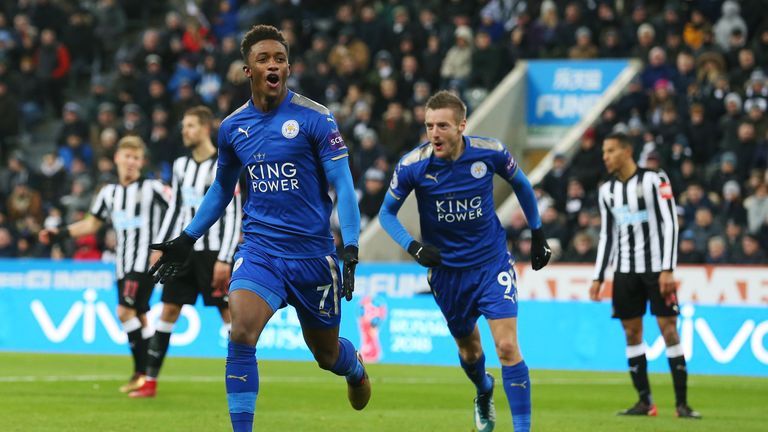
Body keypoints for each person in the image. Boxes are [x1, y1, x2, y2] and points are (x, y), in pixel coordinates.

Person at [146, 25, 369, 432]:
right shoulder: (233, 128)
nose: (273, 65)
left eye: (280, 59)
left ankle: (352, 367)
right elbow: (221, 188)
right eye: (264, 59)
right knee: (241, 333)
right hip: (260, 251)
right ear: (248, 69)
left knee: (326, 355)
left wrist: (350, 246)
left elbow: (343, 185)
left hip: (312, 256)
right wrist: (187, 236)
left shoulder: (316, 118)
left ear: (288, 67)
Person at [379, 90, 552, 432]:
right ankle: (483, 390)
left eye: (442, 125)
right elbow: (386, 214)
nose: (434, 133)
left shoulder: (489, 153)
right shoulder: (413, 166)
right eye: (429, 126)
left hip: (491, 264)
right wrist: (413, 247)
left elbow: (522, 185)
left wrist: (538, 233)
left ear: (461, 126)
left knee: (506, 346)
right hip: (447, 274)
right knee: (470, 352)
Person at [39, 136, 169, 393]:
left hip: (144, 263)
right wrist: (61, 233)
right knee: (140, 317)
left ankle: (141, 374)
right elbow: (91, 224)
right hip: (122, 264)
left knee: (124, 312)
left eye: (136, 158)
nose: (131, 162)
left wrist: (166, 246)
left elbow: (177, 209)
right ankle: (145, 376)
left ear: (142, 162)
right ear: (117, 159)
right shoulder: (108, 193)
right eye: (127, 157)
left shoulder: (153, 188)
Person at [129, 106, 242, 398]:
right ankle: (150, 382)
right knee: (168, 310)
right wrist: (165, 243)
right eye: (184, 126)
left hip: (214, 251)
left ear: (205, 128)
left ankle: (241, 379)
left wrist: (225, 258)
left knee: (230, 314)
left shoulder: (225, 162)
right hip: (185, 251)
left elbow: (232, 214)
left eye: (190, 125)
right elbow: (176, 209)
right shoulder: (180, 165)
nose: (184, 131)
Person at [589, 132, 701, 419]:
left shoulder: (655, 179)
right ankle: (644, 402)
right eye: (604, 151)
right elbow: (607, 235)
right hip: (625, 272)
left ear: (627, 152)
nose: (605, 157)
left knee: (669, 330)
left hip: (656, 270)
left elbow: (670, 224)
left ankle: (682, 405)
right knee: (631, 333)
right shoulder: (607, 191)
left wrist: (667, 268)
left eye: (610, 150)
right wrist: (599, 276)